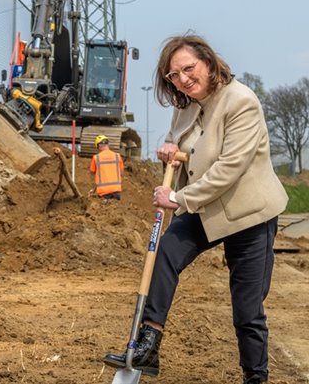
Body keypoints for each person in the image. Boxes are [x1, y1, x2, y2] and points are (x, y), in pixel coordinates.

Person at [102, 34, 287, 384]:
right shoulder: (185, 104)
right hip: (205, 207)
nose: (184, 79)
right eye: (174, 75)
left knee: (246, 310)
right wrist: (169, 150)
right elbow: (181, 145)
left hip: (248, 214)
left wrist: (179, 200)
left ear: (208, 62)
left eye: (189, 69)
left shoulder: (241, 102)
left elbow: (229, 167)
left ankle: (256, 378)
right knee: (165, 253)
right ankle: (149, 344)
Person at [90, 134, 124, 200]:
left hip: (103, 193)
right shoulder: (117, 156)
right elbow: (122, 173)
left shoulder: (96, 158)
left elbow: (92, 172)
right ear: (108, 144)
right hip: (116, 190)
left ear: (99, 145)